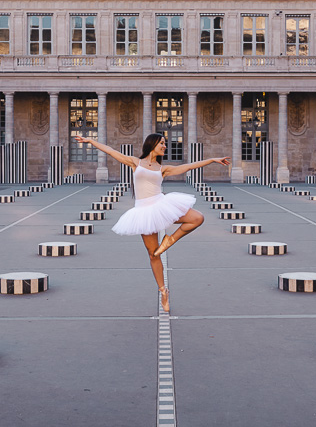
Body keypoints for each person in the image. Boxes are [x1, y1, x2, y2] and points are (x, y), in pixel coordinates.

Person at [73, 133, 230, 312]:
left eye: (165, 143)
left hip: (161, 205)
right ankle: (163, 291)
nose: (165, 146)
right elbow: (110, 151)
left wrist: (211, 160)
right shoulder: (135, 162)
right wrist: (90, 141)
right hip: (144, 211)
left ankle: (170, 240)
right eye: (162, 143)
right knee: (153, 255)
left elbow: (187, 167)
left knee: (197, 218)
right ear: (152, 144)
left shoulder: (163, 168)